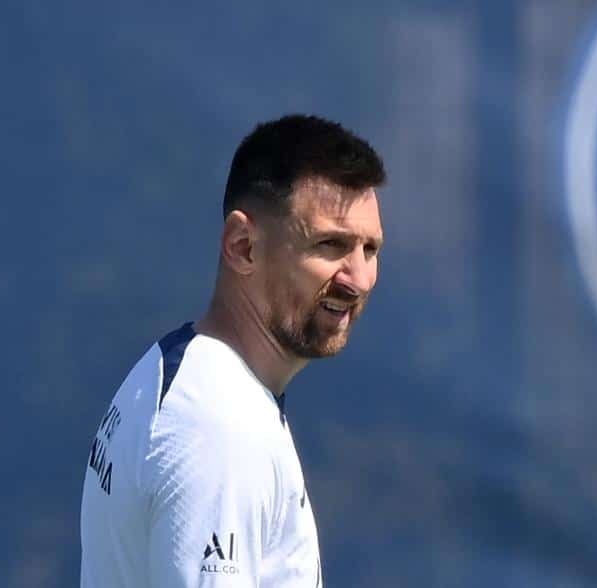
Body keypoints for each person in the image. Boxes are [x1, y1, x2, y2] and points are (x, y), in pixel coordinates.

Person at [80, 114, 386, 587]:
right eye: (331, 245)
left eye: (370, 250)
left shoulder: (184, 373)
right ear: (243, 246)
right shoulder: (220, 428)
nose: (359, 279)